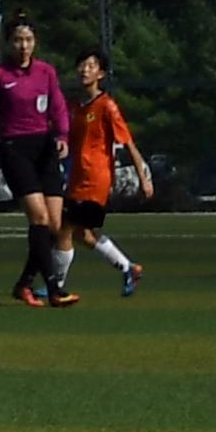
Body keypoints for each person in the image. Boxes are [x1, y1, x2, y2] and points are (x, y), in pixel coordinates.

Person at [0, 15, 75, 308]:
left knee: (55, 224)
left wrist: (62, 136)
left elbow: (58, 105)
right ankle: (54, 289)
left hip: (44, 147)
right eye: (18, 40)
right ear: (9, 42)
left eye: (29, 40)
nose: (24, 46)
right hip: (14, 149)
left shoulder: (46, 72)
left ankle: (23, 284)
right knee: (40, 219)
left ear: (35, 43)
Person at [63, 48, 148, 296]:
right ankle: (128, 267)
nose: (85, 70)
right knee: (81, 233)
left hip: (95, 180)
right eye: (82, 65)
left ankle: (55, 284)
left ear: (100, 73)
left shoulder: (106, 106)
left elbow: (128, 143)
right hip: (76, 178)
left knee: (64, 228)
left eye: (91, 66)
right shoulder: (74, 106)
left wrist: (144, 178)